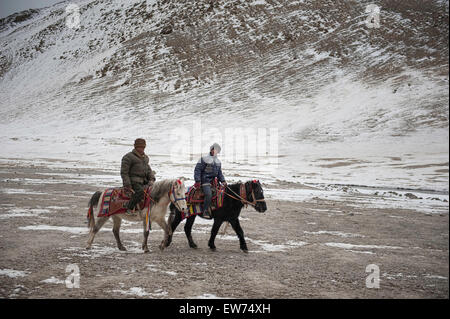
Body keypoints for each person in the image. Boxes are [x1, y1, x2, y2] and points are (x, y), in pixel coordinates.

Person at [121, 138, 156, 216]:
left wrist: (152, 179)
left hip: (144, 181)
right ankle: (129, 208)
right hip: (133, 181)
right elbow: (124, 172)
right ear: (135, 147)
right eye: (139, 147)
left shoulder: (145, 158)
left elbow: (148, 170)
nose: (141, 149)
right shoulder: (128, 157)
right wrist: (127, 184)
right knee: (140, 192)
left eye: (142, 147)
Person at [194, 143, 227, 218]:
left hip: (214, 182)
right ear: (211, 150)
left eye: (217, 150)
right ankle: (205, 211)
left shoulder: (218, 162)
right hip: (205, 181)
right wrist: (198, 181)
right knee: (208, 194)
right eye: (214, 149)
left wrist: (223, 181)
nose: (215, 151)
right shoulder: (203, 159)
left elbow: (219, 173)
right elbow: (197, 170)